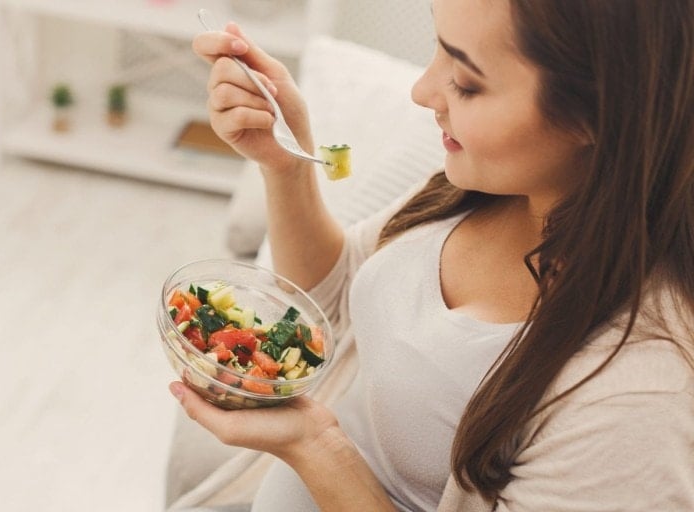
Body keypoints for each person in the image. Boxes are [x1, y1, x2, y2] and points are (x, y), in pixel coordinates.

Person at [169, 0, 694, 510]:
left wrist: (315, 447)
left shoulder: (638, 401)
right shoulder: (484, 186)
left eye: (466, 81)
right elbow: (332, 298)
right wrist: (285, 165)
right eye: (438, 48)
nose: (423, 92)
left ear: (596, 115)